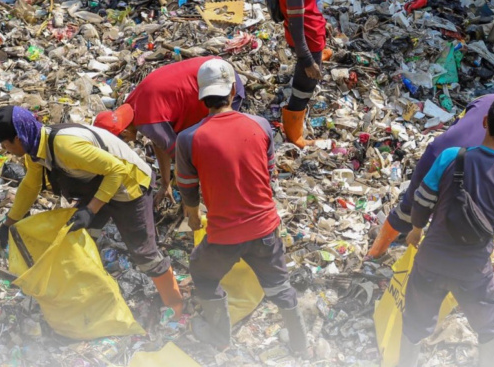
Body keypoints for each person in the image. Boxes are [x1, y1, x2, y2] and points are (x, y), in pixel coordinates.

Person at [0, 106, 184, 318]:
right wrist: (7, 226)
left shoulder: (64, 146)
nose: (4, 148)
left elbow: (117, 170)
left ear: (19, 138)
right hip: (100, 184)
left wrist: (90, 210)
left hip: (129, 187)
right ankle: (89, 300)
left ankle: (176, 307)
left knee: (144, 253)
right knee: (79, 238)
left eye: (5, 142)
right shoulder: (36, 150)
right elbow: (30, 187)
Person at [175, 59, 308, 352]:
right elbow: (270, 171)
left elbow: (187, 186)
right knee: (278, 285)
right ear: (234, 89)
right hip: (265, 229)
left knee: (202, 273)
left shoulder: (188, 139)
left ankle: (220, 338)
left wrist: (194, 216)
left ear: (201, 95)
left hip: (224, 236)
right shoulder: (259, 125)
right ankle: (300, 344)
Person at [399, 95, 494, 366]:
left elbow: (422, 201)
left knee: (414, 324)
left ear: (485, 122)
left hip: (431, 261)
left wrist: (416, 230)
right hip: (473, 271)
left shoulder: (450, 157)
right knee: (490, 329)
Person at [367, 83, 494, 259]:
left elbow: (458, 129)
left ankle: (374, 255)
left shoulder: (486, 99)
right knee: (456, 224)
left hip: (437, 154)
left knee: (409, 206)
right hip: (465, 170)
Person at [92, 56, 246, 206]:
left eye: (123, 142)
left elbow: (182, 158)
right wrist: (166, 183)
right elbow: (160, 144)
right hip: (210, 69)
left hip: (221, 84)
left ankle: (230, 192)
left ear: (124, 133)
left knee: (216, 144)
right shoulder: (132, 105)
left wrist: (190, 201)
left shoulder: (148, 122)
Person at [280, 0, 328, 148]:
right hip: (308, 40)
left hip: (309, 33)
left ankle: (316, 58)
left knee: (308, 74)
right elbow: (296, 23)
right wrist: (307, 60)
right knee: (304, 89)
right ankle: (294, 136)